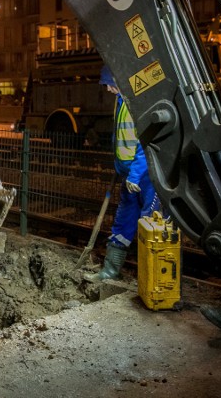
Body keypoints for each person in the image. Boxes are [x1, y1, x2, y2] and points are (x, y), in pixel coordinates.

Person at [85, 65, 160, 282]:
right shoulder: (120, 102)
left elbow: (146, 144)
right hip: (129, 177)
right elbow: (120, 140)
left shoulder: (138, 104)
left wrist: (135, 175)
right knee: (124, 220)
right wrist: (121, 170)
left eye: (109, 83)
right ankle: (111, 270)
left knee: (151, 225)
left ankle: (152, 279)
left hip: (147, 178)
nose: (107, 89)